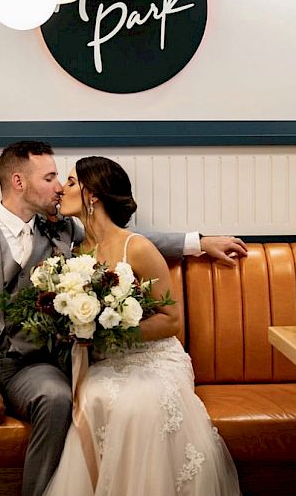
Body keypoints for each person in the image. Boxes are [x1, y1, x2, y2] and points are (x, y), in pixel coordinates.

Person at [0, 141, 245, 496]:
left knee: (58, 399)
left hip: (30, 366)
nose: (59, 185)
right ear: (18, 182)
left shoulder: (63, 231)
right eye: (50, 177)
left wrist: (198, 242)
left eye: (63, 178)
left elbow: (124, 240)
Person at [43, 156, 241, 496]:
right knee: (94, 398)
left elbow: (171, 321)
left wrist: (110, 334)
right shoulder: (73, 253)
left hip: (154, 358)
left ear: (92, 195)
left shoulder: (137, 247)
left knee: (138, 404)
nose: (62, 188)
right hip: (105, 364)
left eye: (72, 182)